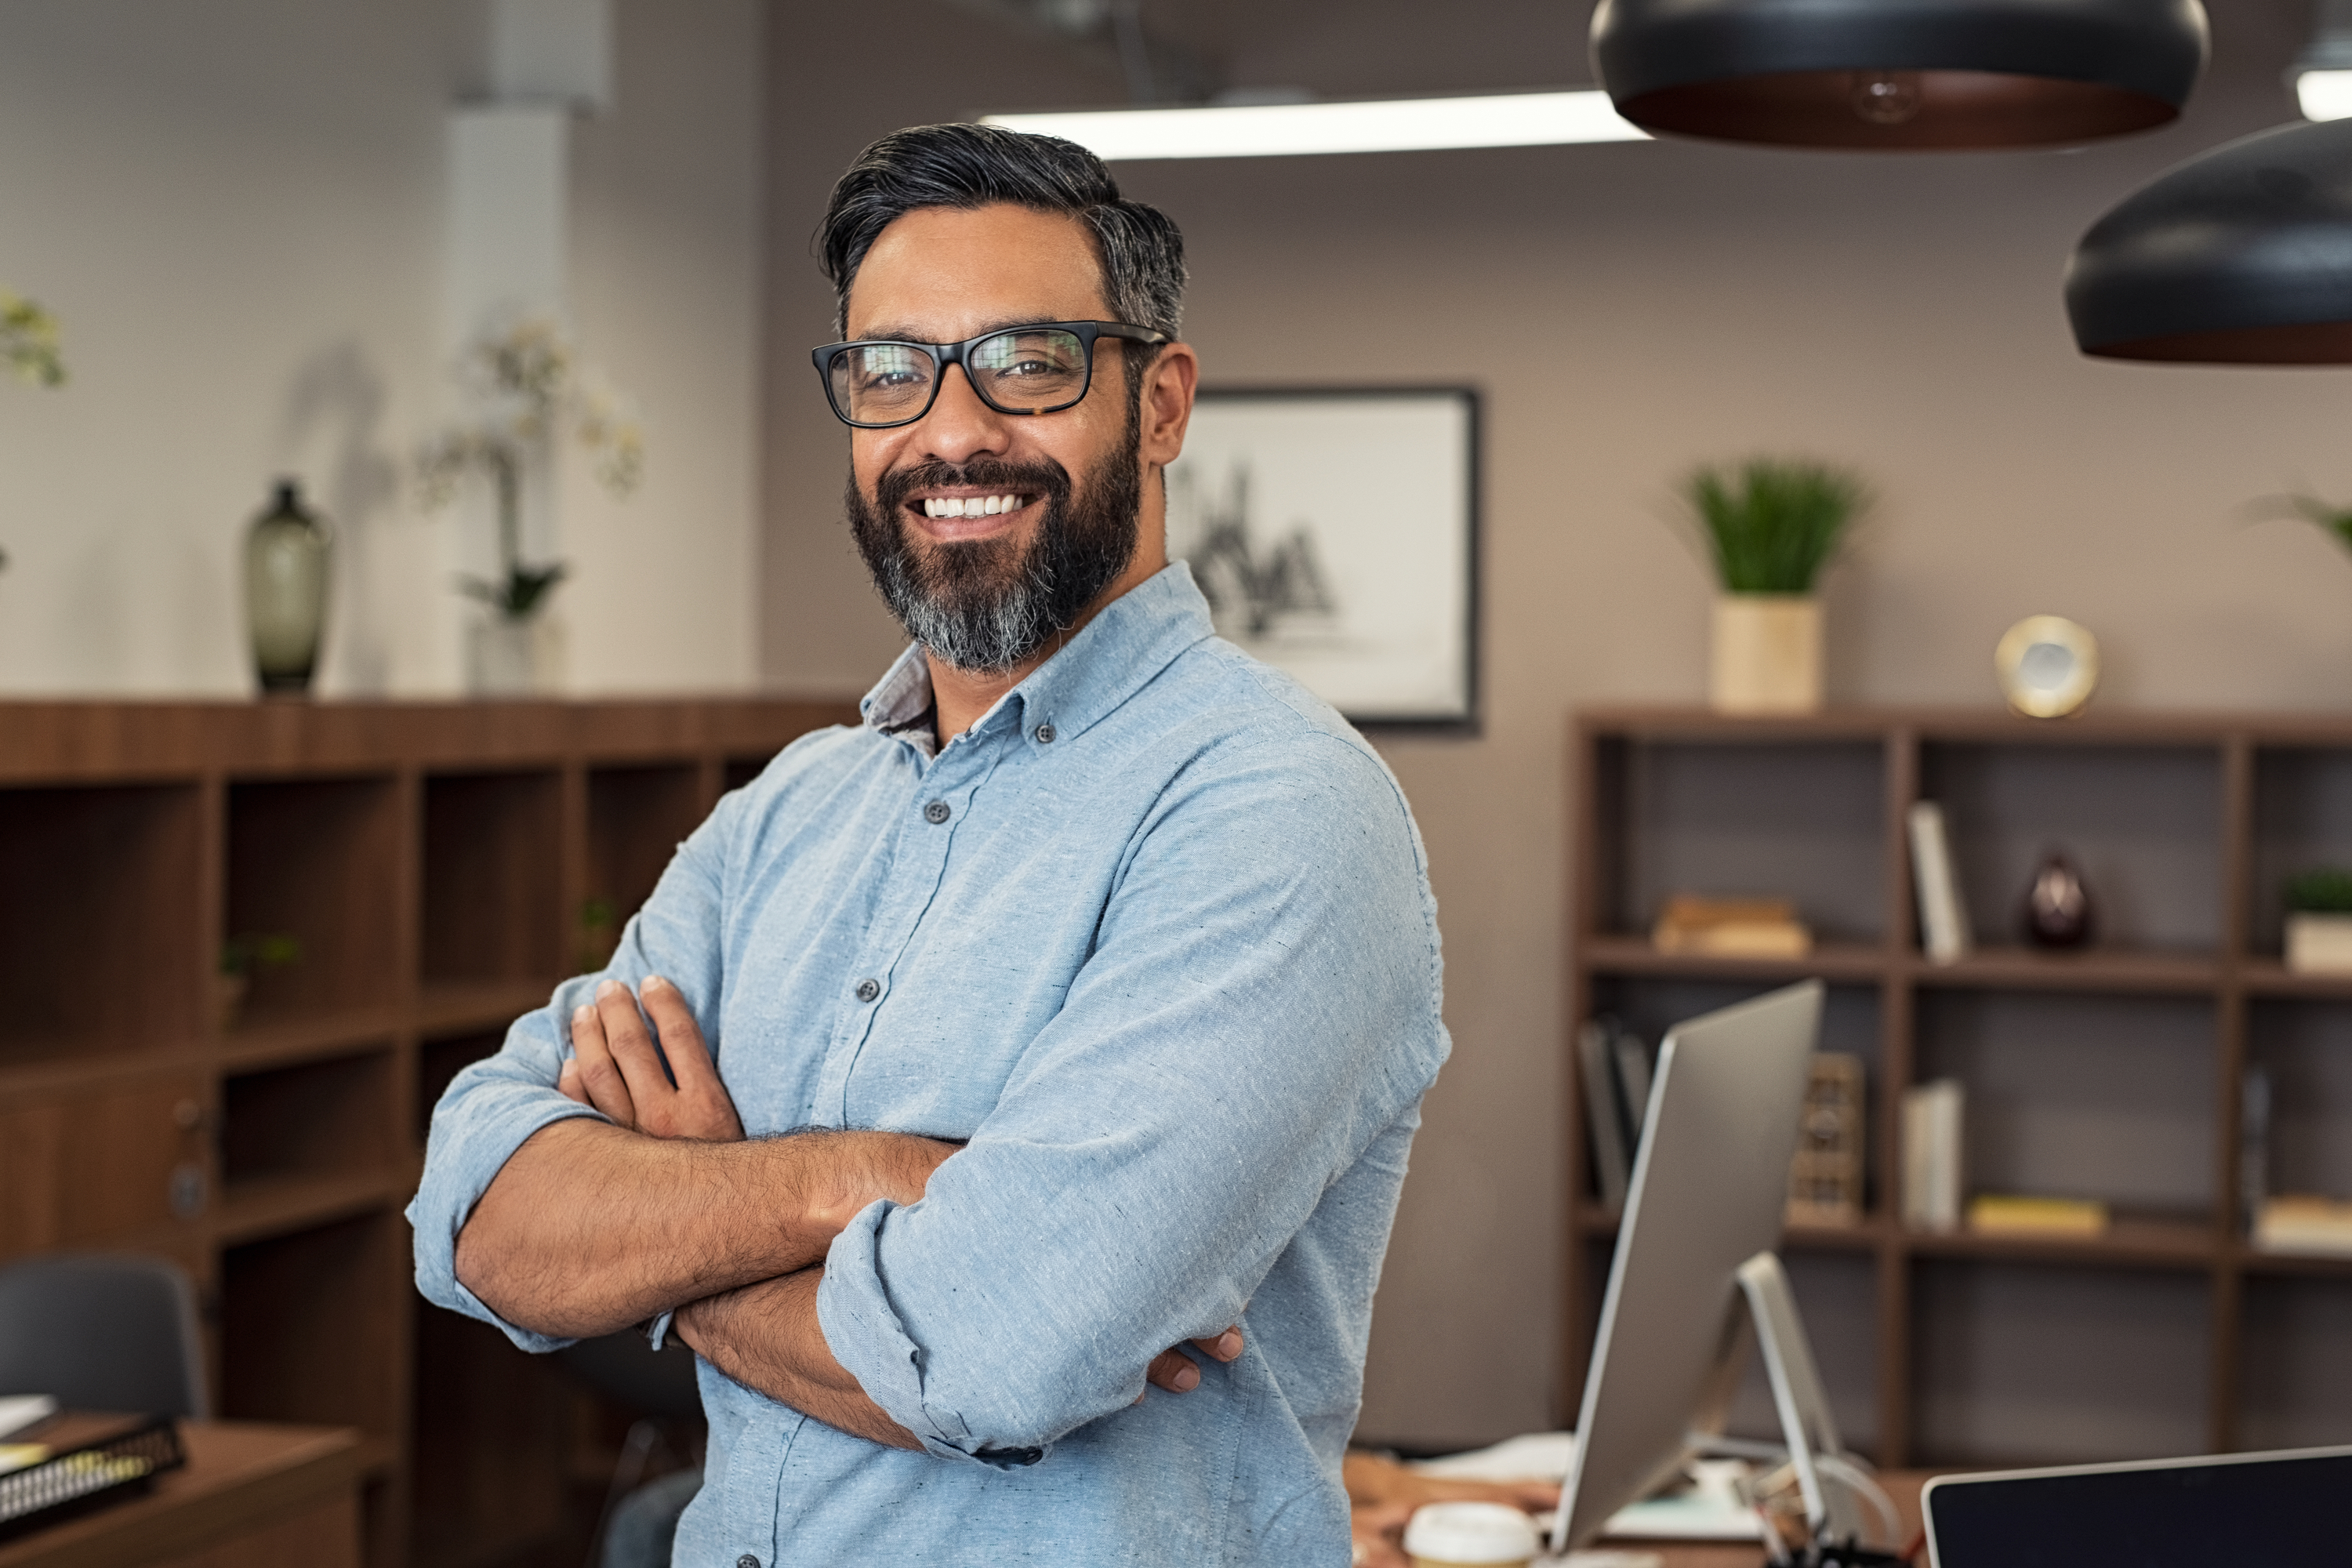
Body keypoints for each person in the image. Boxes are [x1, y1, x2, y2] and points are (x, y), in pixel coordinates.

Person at [408, 122, 1447, 1566]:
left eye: (1028, 362)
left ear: (1161, 403)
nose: (951, 433)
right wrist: (874, 1176)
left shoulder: (1275, 812)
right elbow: (474, 1217)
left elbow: (993, 1357)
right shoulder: (784, 816)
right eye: (892, 370)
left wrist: (669, 1227)